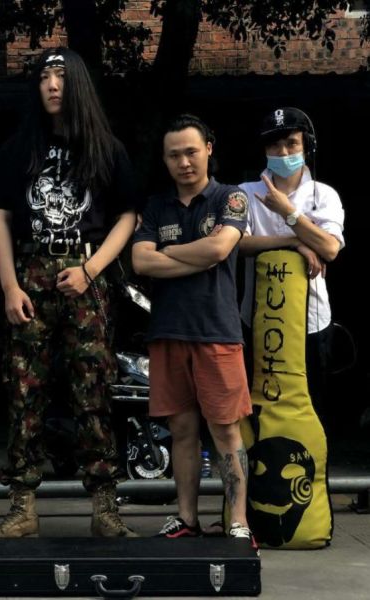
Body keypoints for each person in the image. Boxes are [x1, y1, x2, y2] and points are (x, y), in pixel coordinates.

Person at [0, 47, 138, 538]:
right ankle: (22, 507)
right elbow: (0, 218)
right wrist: (9, 286)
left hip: (85, 273)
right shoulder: (18, 148)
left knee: (93, 388)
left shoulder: (105, 147)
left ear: (78, 84)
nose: (52, 85)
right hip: (30, 274)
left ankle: (105, 508)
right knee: (23, 390)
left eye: (61, 76)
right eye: (45, 77)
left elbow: (127, 216)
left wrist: (91, 270)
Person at [132, 114, 254, 542]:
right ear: (165, 160)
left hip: (217, 331)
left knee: (225, 430)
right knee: (181, 430)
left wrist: (169, 251)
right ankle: (186, 519)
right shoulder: (156, 206)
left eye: (191, 152)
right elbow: (140, 261)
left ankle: (238, 521)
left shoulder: (230, 197)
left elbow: (220, 249)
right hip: (167, 331)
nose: (184, 162)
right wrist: (194, 256)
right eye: (174, 155)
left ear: (208, 149)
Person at [238, 107, 345, 416]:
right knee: (261, 408)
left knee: (310, 410)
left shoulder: (324, 195)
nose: (283, 152)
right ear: (264, 150)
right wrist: (295, 241)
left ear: (306, 146)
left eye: (291, 143)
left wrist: (288, 212)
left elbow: (329, 248)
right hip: (257, 320)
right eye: (274, 145)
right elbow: (238, 244)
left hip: (311, 323)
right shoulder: (246, 193)